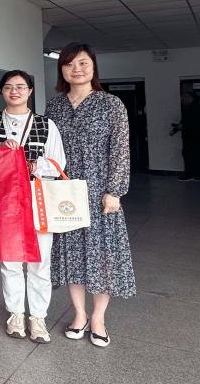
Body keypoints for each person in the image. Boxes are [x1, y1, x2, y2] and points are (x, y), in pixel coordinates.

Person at [46, 42, 135, 348]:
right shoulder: (55, 107)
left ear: (93, 67)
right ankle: (79, 314)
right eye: (69, 64)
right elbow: (47, 149)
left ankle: (98, 318)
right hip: (65, 190)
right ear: (62, 70)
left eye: (83, 63)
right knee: (71, 254)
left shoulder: (111, 104)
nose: (76, 69)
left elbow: (120, 150)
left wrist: (115, 191)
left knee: (103, 254)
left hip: (100, 191)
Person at [0, 70, 66, 344]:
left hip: (38, 200)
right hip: (5, 200)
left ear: (30, 91)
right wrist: (0, 150)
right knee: (10, 261)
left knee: (39, 261)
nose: (15, 91)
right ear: (2, 91)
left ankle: (38, 317)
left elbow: (59, 163)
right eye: (8, 87)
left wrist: (32, 165)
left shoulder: (46, 125)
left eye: (21, 86)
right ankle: (15, 314)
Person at [179, 91, 200, 182]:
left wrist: (181, 127)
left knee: (190, 155)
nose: (183, 99)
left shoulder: (191, 109)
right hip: (198, 136)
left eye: (185, 97)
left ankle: (192, 174)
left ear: (191, 98)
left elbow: (188, 123)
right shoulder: (198, 108)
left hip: (192, 136)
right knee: (198, 155)